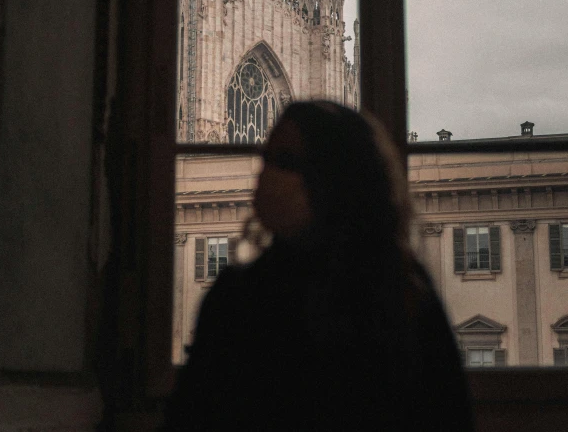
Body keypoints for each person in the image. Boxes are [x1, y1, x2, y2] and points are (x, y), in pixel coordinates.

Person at [165, 101, 474, 431]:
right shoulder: (236, 293)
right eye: (266, 158)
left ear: (334, 178)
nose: (266, 173)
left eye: (285, 161)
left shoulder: (403, 294)